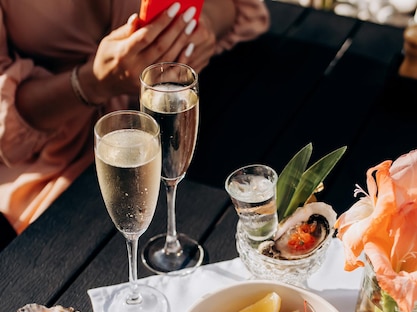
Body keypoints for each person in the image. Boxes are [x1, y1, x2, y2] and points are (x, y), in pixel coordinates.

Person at [0, 0, 270, 247]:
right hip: (58, 174)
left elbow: (235, 5)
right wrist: (92, 83)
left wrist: (198, 30)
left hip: (181, 126)